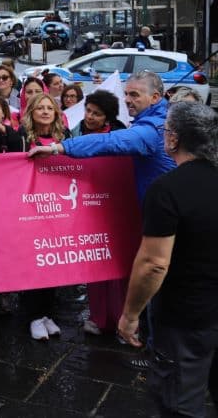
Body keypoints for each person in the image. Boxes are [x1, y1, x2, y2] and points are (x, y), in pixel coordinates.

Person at [117, 103, 218, 416]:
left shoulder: (167, 189)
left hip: (187, 317)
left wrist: (131, 314)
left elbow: (153, 264)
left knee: (178, 403)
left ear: (173, 140)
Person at [28, 71, 175, 206]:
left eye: (134, 95)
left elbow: (110, 141)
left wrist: (57, 148)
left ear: (155, 97)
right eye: (126, 94)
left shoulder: (153, 129)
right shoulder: (163, 119)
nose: (126, 100)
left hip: (164, 212)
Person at [19, 94, 71, 341]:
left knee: (53, 262)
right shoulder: (20, 138)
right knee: (33, 264)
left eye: (50, 108)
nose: (45, 111)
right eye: (40, 107)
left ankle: (47, 313)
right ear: (31, 111)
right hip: (29, 210)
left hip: (57, 208)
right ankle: (33, 316)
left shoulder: (65, 139)